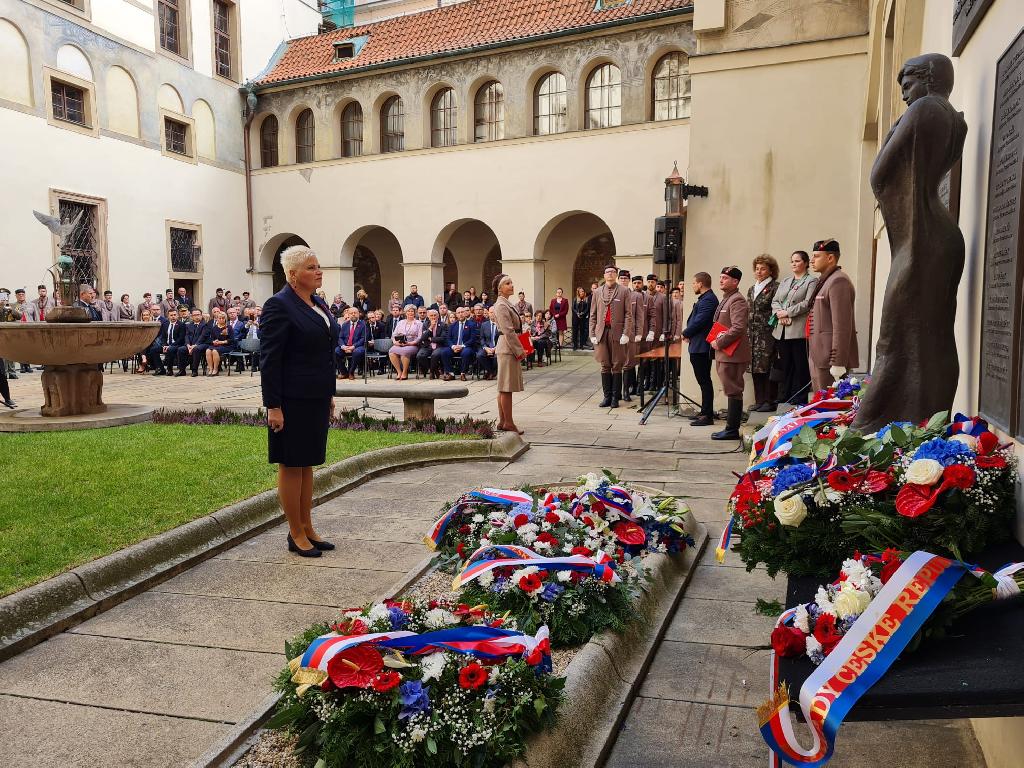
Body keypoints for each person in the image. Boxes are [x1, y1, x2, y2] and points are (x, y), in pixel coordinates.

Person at [260, 245, 339, 558]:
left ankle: (307, 526)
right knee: (292, 465)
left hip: (315, 396)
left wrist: (328, 394)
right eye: (310, 267)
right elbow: (270, 359)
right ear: (292, 275)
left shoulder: (316, 301)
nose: (318, 271)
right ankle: (295, 532)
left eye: (318, 266)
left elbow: (323, 352)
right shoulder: (278, 306)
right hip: (290, 399)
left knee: (307, 465)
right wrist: (274, 406)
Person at [806, 238, 858, 393]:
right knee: (820, 404)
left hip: (830, 359)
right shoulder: (826, 281)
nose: (812, 260)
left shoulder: (838, 281)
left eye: (816, 256)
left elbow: (842, 325)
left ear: (830, 258)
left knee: (829, 407)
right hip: (819, 355)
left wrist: (838, 361)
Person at [710, 266, 752, 440]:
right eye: (720, 277)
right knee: (730, 388)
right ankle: (730, 427)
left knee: (733, 389)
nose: (721, 280)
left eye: (725, 278)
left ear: (735, 282)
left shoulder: (737, 300)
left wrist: (719, 342)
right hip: (726, 353)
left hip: (732, 354)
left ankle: (732, 429)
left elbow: (738, 327)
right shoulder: (727, 298)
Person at [771, 250, 816, 406]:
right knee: (786, 364)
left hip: (797, 329)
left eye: (797, 261)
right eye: (792, 261)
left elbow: (807, 303)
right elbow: (775, 300)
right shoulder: (785, 281)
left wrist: (788, 312)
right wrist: (779, 314)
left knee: (800, 364)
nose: (794, 264)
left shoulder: (811, 281)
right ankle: (786, 394)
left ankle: (800, 395)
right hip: (781, 329)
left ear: (805, 263)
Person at [589, 266, 634, 408]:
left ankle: (615, 398)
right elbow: (593, 315)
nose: (610, 274)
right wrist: (592, 334)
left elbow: (628, 314)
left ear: (616, 275)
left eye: (613, 272)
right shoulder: (597, 292)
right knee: (604, 365)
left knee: (617, 365)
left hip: (617, 333)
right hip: (602, 332)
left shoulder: (624, 291)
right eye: (608, 272)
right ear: (604, 275)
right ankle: (606, 397)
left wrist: (626, 333)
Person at [680, 272, 719, 426]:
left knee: (704, 381)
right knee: (703, 380)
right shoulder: (705, 298)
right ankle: (704, 411)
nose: (693, 286)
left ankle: (707, 415)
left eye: (694, 283)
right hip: (698, 345)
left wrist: (686, 333)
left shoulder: (709, 299)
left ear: (701, 284)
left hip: (702, 347)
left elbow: (701, 320)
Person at [491, 273, 527, 434]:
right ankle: (509, 423)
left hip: (507, 347)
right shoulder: (501, 305)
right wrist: (519, 351)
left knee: (504, 387)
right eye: (507, 283)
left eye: (511, 282)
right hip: (507, 348)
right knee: (506, 387)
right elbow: (508, 331)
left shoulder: (506, 303)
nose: (511, 285)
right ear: (500, 289)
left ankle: (503, 421)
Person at [747, 254, 780, 412]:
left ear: (771, 271)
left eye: (763, 269)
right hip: (752, 335)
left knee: (767, 368)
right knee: (755, 368)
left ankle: (769, 400)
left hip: (767, 334)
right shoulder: (752, 289)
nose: (759, 272)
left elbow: (776, 311)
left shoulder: (775, 287)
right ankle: (759, 400)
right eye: (757, 269)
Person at [389, 304, 422, 380]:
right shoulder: (400, 322)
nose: (410, 313)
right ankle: (399, 372)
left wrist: (410, 343)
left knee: (404, 352)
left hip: (413, 345)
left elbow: (420, 337)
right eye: (408, 311)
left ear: (414, 313)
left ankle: (404, 372)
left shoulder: (419, 323)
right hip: (399, 343)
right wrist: (395, 342)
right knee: (391, 352)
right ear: (405, 313)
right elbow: (393, 335)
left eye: (412, 311)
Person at [445, 305, 478, 381]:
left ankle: (463, 373)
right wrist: (453, 346)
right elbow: (448, 339)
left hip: (466, 347)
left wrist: (462, 346)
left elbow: (473, 339)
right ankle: (451, 373)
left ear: (465, 313)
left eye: (462, 312)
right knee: (444, 352)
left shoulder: (471, 324)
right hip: (454, 347)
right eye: (458, 313)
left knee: (466, 353)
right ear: (456, 315)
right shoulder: (452, 325)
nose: (460, 314)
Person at [335, 307, 367, 379]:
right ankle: (344, 373)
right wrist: (343, 346)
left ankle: (351, 372)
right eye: (351, 313)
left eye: (355, 313)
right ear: (348, 315)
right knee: (336, 351)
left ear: (358, 314)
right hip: (345, 346)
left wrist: (353, 346)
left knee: (357, 352)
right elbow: (340, 338)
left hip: (358, 347)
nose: (353, 315)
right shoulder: (345, 325)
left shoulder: (363, 324)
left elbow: (363, 338)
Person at [417, 309, 449, 378]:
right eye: (431, 315)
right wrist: (431, 327)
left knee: (435, 354)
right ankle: (434, 369)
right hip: (427, 346)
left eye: (435, 315)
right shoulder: (425, 324)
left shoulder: (443, 325)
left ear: (438, 316)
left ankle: (432, 372)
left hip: (439, 346)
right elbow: (423, 338)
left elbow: (443, 338)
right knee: (420, 356)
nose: (433, 317)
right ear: (428, 317)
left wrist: (431, 339)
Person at [179, 308, 210, 376]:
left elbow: (202, 337)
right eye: (194, 315)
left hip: (203, 344)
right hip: (190, 345)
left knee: (196, 349)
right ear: (192, 316)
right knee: (181, 349)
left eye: (198, 315)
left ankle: (194, 370)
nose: (196, 316)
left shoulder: (205, 325)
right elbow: (186, 336)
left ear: (201, 315)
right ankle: (182, 370)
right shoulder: (189, 325)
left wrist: (195, 345)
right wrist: (187, 345)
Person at [477, 306, 499, 380]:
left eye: (494, 312)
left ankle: (490, 372)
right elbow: (482, 338)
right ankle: (491, 371)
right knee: (479, 355)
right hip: (487, 347)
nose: (492, 314)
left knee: (497, 357)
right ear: (488, 313)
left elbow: (503, 338)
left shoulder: (500, 325)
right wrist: (485, 347)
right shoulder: (484, 325)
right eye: (491, 312)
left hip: (498, 347)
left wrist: (495, 348)